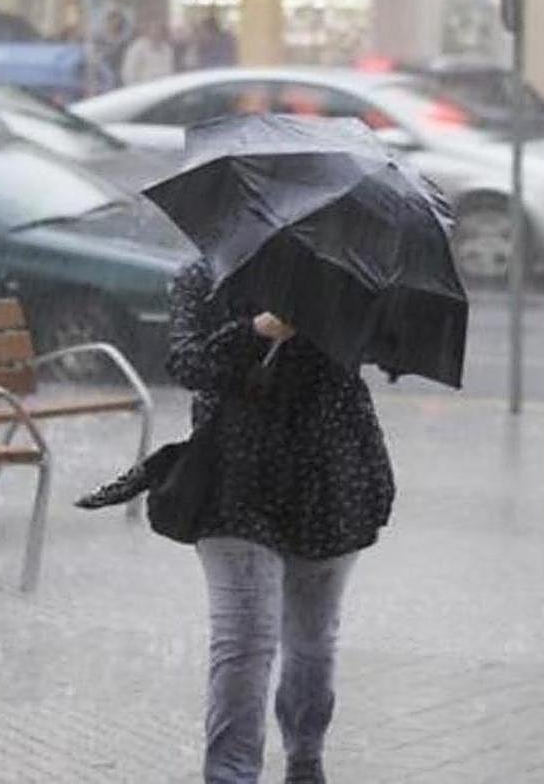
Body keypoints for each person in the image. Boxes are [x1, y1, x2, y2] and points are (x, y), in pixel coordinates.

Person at [166, 259, 394, 783]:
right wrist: (260, 330)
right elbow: (187, 363)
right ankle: (230, 775)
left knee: (312, 638)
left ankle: (306, 759)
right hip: (234, 480)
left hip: (330, 479)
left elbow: (385, 346)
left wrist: (335, 306)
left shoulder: (351, 269)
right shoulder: (204, 274)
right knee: (244, 640)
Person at [120, 20, 176, 86]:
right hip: (142, 89)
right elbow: (128, 73)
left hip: (164, 89)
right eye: (153, 30)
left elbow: (170, 71)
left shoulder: (167, 50)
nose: (156, 33)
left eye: (159, 30)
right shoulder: (137, 48)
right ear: (147, 32)